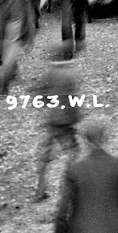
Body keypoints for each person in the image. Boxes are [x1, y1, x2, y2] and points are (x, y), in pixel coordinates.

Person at [33, 44, 83, 201]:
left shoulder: (50, 73)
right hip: (66, 121)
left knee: (46, 155)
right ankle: (67, 186)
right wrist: (76, 119)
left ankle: (40, 189)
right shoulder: (70, 75)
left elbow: (40, 94)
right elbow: (72, 100)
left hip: (52, 120)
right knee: (74, 152)